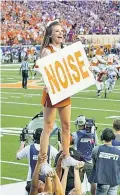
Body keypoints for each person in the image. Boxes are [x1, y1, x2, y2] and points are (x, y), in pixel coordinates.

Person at [39, 20, 81, 174]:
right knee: (48, 127)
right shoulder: (47, 51)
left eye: (62, 31)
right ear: (50, 35)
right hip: (52, 92)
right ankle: (43, 161)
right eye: (57, 31)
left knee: (66, 126)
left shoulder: (65, 50)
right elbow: (44, 71)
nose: (61, 33)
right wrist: (47, 83)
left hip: (64, 91)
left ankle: (67, 155)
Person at [16, 127, 58, 195]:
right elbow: (59, 157)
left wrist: (22, 143)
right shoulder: (50, 148)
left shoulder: (28, 148)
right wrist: (60, 143)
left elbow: (18, 156)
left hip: (31, 179)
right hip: (45, 181)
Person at [88, 128, 120, 195]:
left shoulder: (97, 149)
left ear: (102, 137)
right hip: (114, 181)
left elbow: (94, 162)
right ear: (112, 138)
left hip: (102, 181)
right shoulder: (118, 152)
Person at [71, 115, 98, 195]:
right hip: (90, 161)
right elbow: (96, 145)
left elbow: (70, 144)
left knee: (77, 181)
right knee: (93, 181)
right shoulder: (93, 133)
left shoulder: (75, 134)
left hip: (79, 161)